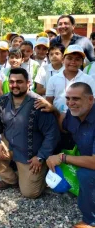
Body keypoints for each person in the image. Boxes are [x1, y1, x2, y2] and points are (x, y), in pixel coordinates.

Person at [0, 68, 60, 198]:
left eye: (19, 82)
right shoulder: (3, 100)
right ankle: (11, 179)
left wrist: (41, 156)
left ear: (28, 83)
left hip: (31, 155)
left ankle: (39, 172)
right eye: (12, 82)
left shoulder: (38, 104)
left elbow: (52, 134)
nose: (15, 85)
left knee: (30, 193)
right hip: (9, 146)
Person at [46, 83, 95, 228]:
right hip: (86, 154)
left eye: (76, 99)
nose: (70, 103)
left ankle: (90, 220)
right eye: (68, 98)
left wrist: (62, 157)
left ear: (91, 99)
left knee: (86, 174)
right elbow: (63, 125)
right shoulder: (72, 114)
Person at [46, 45, 95, 115]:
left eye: (77, 59)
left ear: (82, 62)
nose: (73, 62)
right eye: (69, 58)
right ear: (63, 60)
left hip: (81, 118)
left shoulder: (88, 79)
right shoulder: (53, 79)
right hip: (58, 117)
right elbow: (49, 101)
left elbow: (92, 101)